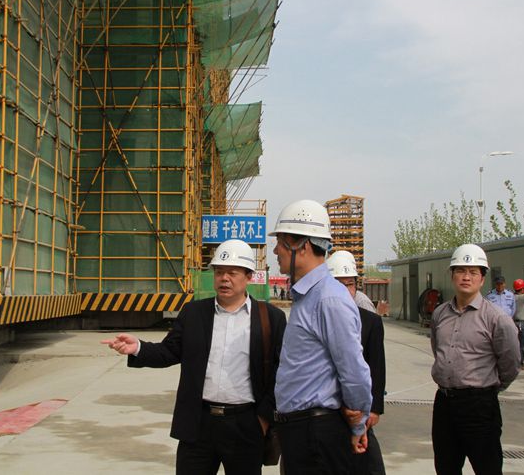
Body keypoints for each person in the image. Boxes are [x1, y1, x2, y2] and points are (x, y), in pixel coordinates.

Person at [103, 239, 286, 475]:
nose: (224, 279)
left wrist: (263, 420)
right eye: (219, 272)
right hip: (198, 424)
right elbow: (169, 351)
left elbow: (281, 373)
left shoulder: (270, 318)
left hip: (246, 425)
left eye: (232, 273)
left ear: (249, 276)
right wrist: (138, 347)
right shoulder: (194, 313)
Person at [270, 199, 373, 475]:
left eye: (280, 242)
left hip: (317, 433)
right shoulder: (308, 296)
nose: (275, 250)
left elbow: (354, 371)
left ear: (302, 246)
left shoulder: (328, 299)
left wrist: (358, 421)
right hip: (301, 431)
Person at [430, 244, 521, 475]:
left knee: (486, 467)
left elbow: (510, 363)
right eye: (460, 271)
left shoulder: (496, 318)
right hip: (444, 402)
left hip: (479, 405)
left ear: (482, 279)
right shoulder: (440, 314)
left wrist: (487, 389)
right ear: (452, 275)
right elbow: (438, 350)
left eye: (473, 272)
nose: (466, 277)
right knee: (445, 467)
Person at [327, 250, 386, 475]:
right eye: (338, 285)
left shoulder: (370, 322)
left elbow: (376, 366)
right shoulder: (319, 318)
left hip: (360, 410)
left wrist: (375, 408)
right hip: (328, 408)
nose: (345, 291)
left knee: (368, 465)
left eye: (350, 285)